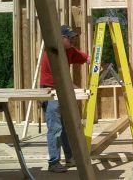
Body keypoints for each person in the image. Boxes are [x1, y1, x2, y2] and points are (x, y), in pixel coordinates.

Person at [40, 25, 90, 173]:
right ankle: (54, 162)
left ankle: (69, 158)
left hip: (60, 91)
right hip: (50, 92)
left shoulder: (69, 50)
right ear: (61, 38)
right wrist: (76, 88)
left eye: (74, 37)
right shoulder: (52, 54)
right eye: (70, 37)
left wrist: (92, 60)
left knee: (65, 127)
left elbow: (83, 57)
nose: (73, 40)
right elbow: (59, 79)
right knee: (55, 128)